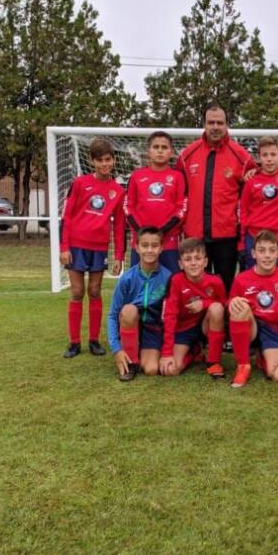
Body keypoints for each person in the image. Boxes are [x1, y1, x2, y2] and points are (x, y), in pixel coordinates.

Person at [176, 104, 256, 290]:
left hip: (226, 237)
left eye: (220, 122)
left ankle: (224, 320)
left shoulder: (242, 157)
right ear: (204, 124)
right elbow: (179, 194)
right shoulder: (187, 156)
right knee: (194, 289)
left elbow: (254, 191)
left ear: (227, 125)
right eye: (211, 122)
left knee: (224, 289)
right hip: (194, 236)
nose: (215, 127)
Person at [59, 138, 125, 359]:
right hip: (76, 246)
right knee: (77, 291)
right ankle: (74, 342)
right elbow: (67, 217)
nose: (105, 164)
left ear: (113, 160)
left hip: (99, 248)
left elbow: (120, 224)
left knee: (95, 291)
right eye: (100, 160)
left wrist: (118, 255)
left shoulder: (117, 191)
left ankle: (94, 340)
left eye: (108, 160)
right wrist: (64, 247)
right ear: (92, 161)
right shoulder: (80, 184)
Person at [227, 229, 278, 388]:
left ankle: (263, 358)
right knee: (240, 306)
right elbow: (230, 302)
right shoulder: (241, 279)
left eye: (272, 250)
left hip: (272, 330)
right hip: (250, 325)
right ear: (253, 253)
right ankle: (243, 366)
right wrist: (232, 302)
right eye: (261, 250)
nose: (267, 255)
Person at [107, 227, 172, 382]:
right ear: (137, 247)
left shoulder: (168, 278)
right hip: (131, 324)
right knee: (129, 310)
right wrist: (116, 349)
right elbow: (112, 315)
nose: (149, 250)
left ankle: (141, 352)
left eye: (154, 245)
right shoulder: (127, 279)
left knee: (151, 370)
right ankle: (131, 364)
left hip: (152, 328)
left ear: (161, 248)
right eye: (145, 245)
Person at [160, 237, 228, 379]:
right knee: (170, 370)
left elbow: (224, 306)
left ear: (205, 262)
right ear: (180, 264)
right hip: (182, 329)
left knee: (216, 309)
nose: (193, 263)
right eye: (188, 259)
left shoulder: (216, 281)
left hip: (204, 327)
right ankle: (194, 351)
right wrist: (166, 353)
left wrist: (204, 304)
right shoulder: (176, 280)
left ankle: (213, 362)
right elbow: (169, 316)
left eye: (198, 258)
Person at [125, 131, 187, 273]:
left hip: (168, 242)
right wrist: (142, 231)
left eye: (164, 148)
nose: (160, 151)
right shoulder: (136, 176)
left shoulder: (177, 177)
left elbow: (182, 208)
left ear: (171, 152)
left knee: (170, 285)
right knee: (138, 285)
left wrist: (161, 231)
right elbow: (128, 206)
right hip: (141, 242)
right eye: (156, 147)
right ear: (148, 151)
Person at [239, 136, 278, 272]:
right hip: (255, 238)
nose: (269, 159)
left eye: (273, 154)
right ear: (259, 158)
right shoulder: (251, 181)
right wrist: (241, 243)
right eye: (265, 155)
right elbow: (243, 212)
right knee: (254, 282)